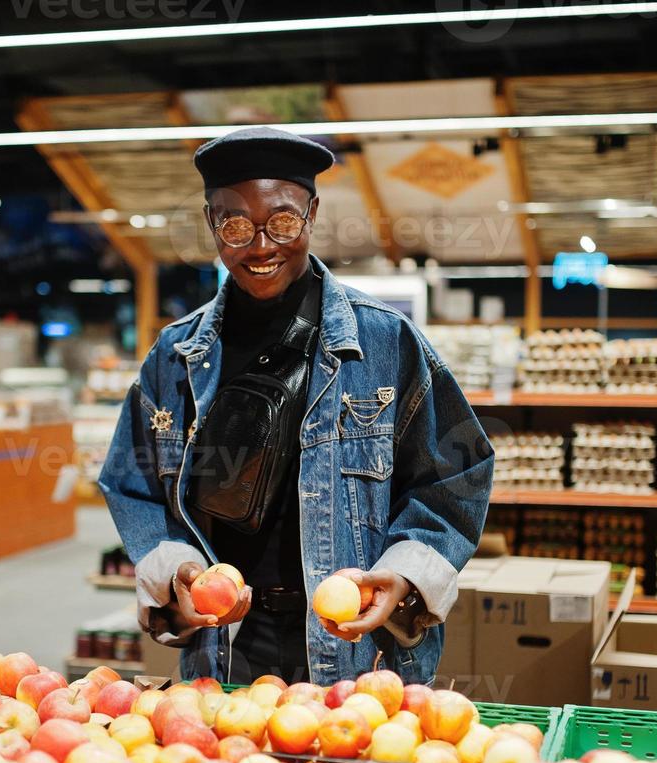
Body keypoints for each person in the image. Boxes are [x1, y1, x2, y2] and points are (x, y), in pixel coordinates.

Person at [99, 126, 493, 686]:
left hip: (359, 650)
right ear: (212, 225)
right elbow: (131, 483)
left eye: (281, 220)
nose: (261, 246)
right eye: (235, 224)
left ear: (311, 213)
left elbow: (457, 475)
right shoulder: (175, 359)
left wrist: (404, 575)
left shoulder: (386, 344)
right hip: (227, 649)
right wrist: (176, 573)